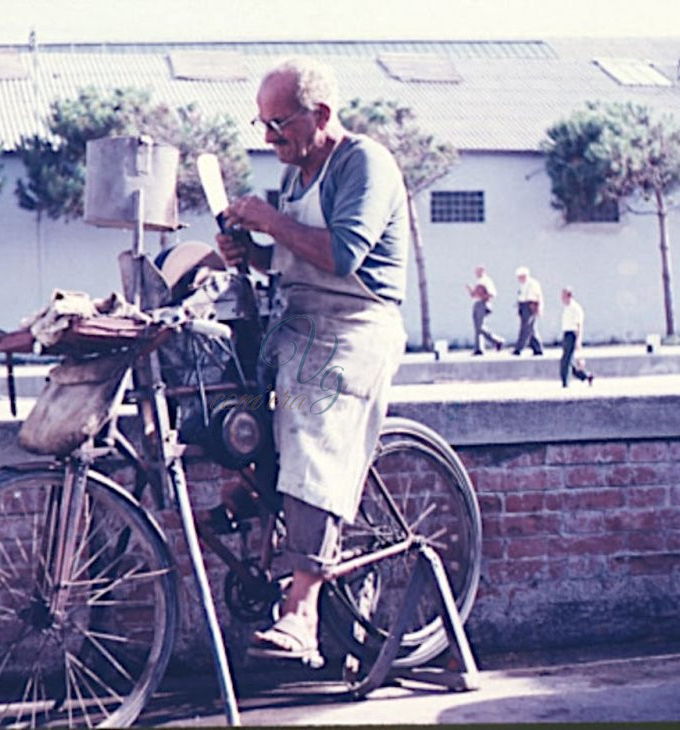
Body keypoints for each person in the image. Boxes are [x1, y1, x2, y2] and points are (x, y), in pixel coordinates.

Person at [215, 56, 409, 663]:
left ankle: (300, 608)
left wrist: (269, 220)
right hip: (300, 322)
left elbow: (345, 253)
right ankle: (255, 491)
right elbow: (295, 260)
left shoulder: (364, 164)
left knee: (308, 413)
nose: (270, 139)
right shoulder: (299, 173)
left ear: (321, 114)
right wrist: (249, 252)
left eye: (279, 125)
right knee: (237, 397)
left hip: (355, 325)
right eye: (263, 126)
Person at [559, 286, 594, 387]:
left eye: (563, 296)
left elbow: (579, 325)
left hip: (572, 334)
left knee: (566, 360)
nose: (562, 298)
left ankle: (565, 382)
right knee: (568, 360)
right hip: (566, 333)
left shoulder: (576, 308)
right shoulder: (567, 308)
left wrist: (579, 340)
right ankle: (585, 376)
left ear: (569, 295)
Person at [466, 264, 503, 355]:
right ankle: (479, 348)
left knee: (480, 327)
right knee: (477, 327)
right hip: (477, 303)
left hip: (483, 304)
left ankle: (497, 340)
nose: (477, 273)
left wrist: (484, 296)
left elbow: (492, 294)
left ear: (483, 271)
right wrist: (470, 290)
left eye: (479, 271)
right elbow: (474, 295)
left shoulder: (486, 281)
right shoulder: (479, 281)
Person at [512, 265, 544, 356]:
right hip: (523, 306)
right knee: (531, 329)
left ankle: (519, 348)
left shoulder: (533, 284)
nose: (519, 279)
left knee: (525, 328)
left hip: (530, 305)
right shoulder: (522, 285)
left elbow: (538, 297)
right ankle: (537, 348)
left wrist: (538, 308)